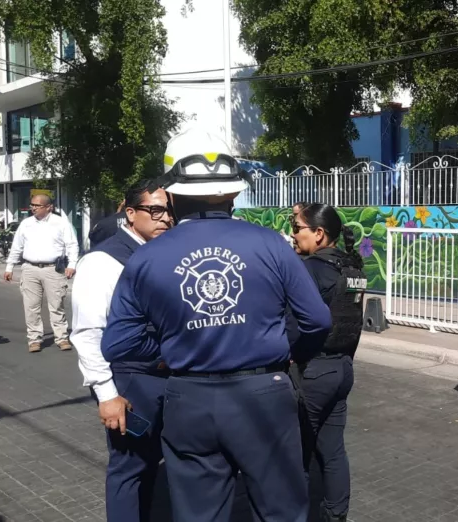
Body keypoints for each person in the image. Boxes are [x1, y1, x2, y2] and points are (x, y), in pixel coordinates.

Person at [101, 128, 332, 522]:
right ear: (234, 193)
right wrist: (287, 353)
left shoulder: (146, 258)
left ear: (171, 194)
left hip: (187, 397)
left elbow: (118, 344)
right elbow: (316, 320)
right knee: (280, 512)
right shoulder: (273, 245)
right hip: (264, 394)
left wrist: (173, 347)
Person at [70, 180, 172, 521]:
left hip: (165, 379)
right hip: (130, 385)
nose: (165, 219)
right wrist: (106, 394)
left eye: (170, 210)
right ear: (130, 213)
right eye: (155, 210)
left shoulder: (163, 253)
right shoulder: (103, 261)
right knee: (129, 468)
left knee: (151, 464)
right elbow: (86, 333)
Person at [288, 203, 366, 522]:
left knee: (297, 456)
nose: (293, 235)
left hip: (312, 371)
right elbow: (352, 324)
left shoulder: (308, 269)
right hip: (342, 369)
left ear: (319, 234)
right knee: (333, 451)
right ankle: (336, 515)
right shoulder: (354, 269)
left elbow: (292, 326)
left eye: (297, 228)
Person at [3, 194, 79, 353]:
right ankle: (34, 339)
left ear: (49, 207)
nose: (33, 208)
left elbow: (72, 245)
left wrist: (72, 264)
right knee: (31, 307)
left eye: (37, 205)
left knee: (56, 305)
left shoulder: (60, 223)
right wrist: (9, 267)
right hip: (30, 269)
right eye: (32, 205)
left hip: (53, 269)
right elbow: (17, 246)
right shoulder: (26, 224)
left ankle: (62, 337)